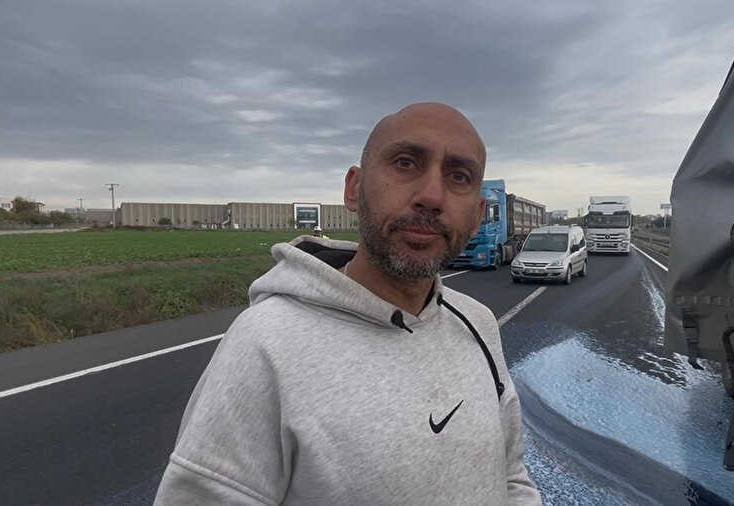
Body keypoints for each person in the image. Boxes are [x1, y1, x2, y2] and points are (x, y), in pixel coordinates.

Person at [154, 103, 542, 505]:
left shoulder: (477, 323)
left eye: (459, 176)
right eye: (406, 163)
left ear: (477, 217)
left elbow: (511, 476)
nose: (431, 196)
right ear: (354, 189)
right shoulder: (264, 345)